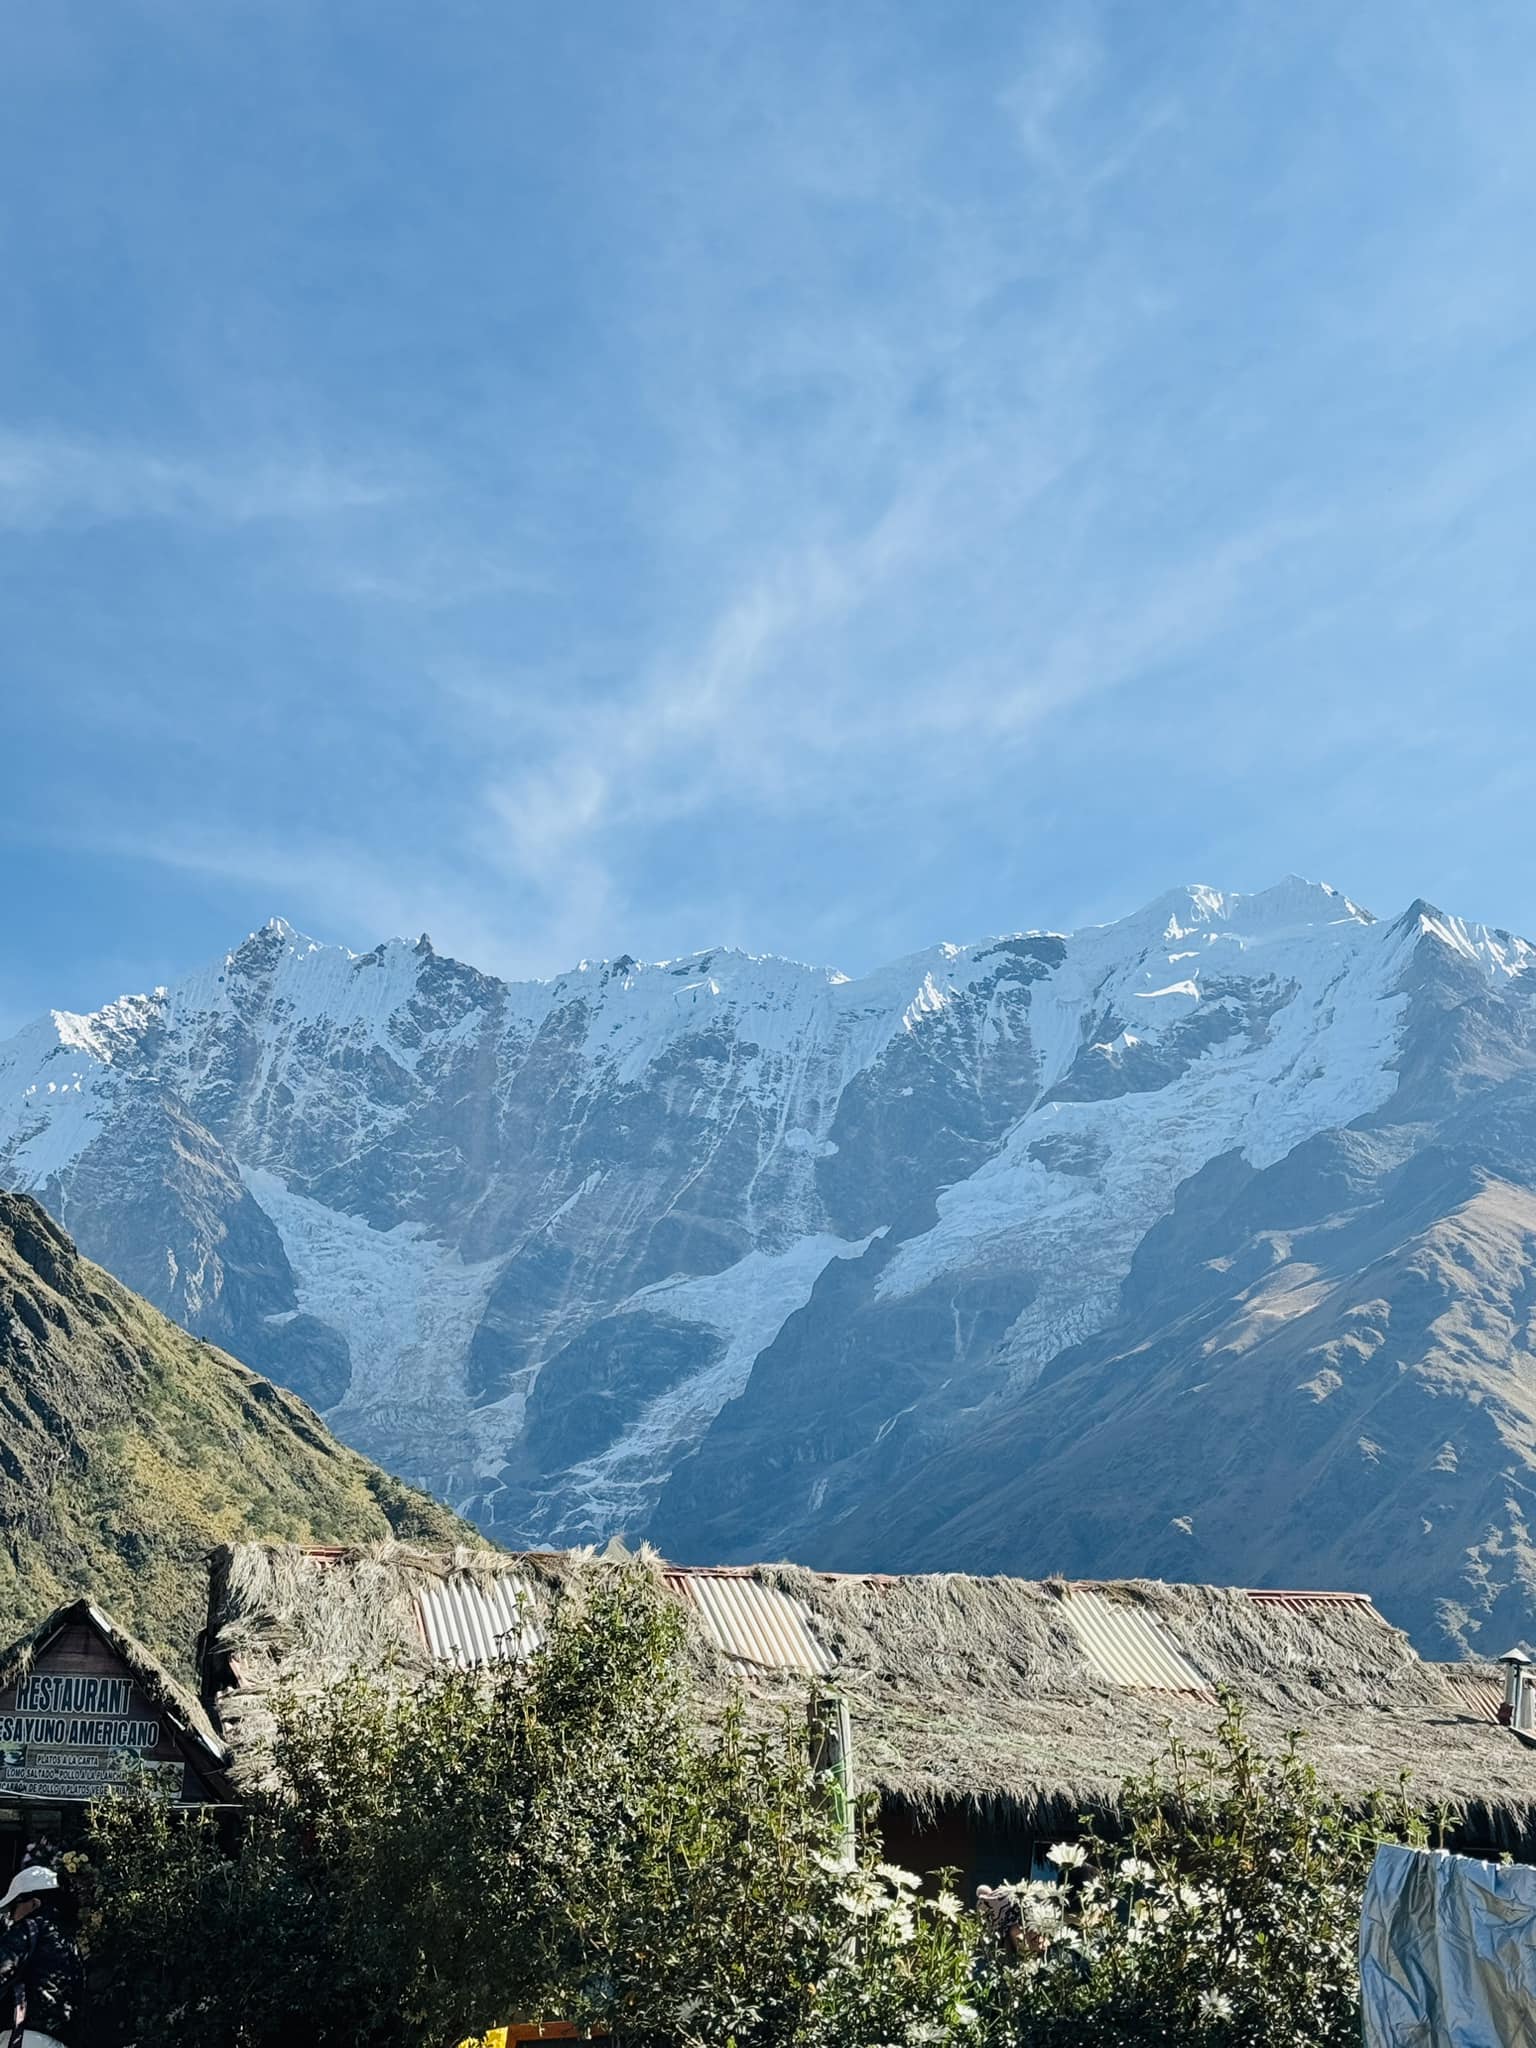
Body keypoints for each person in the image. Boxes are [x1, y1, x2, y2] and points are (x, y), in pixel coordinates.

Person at [0, 1864, 82, 2048]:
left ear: (33, 1903)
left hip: (24, 2035)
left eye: (13, 1908)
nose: (11, 1917)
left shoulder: (30, 1928)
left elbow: (3, 1966)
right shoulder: (69, 1941)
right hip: (60, 2040)